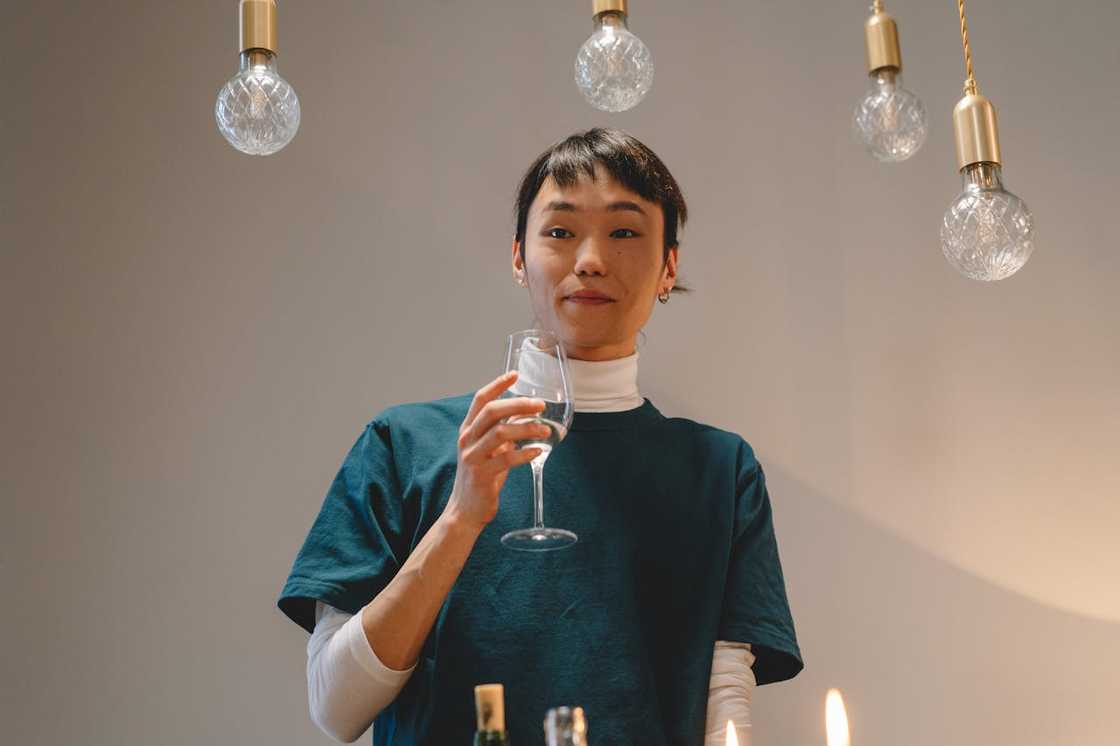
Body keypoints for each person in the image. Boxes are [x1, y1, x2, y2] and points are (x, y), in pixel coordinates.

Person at [276, 127, 803, 746]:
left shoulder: (719, 469)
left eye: (625, 231)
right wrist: (461, 518)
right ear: (519, 256)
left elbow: (724, 696)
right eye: (559, 231)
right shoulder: (402, 445)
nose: (590, 259)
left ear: (670, 266)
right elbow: (335, 709)